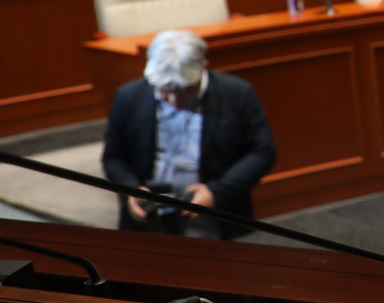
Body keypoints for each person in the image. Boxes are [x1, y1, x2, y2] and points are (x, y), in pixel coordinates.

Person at [102, 29, 275, 238]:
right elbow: (113, 157)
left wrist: (218, 192)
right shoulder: (128, 97)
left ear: (203, 67)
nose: (174, 100)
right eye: (165, 90)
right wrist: (130, 190)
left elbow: (262, 152)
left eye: (184, 89)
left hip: (216, 218)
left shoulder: (237, 94)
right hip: (148, 220)